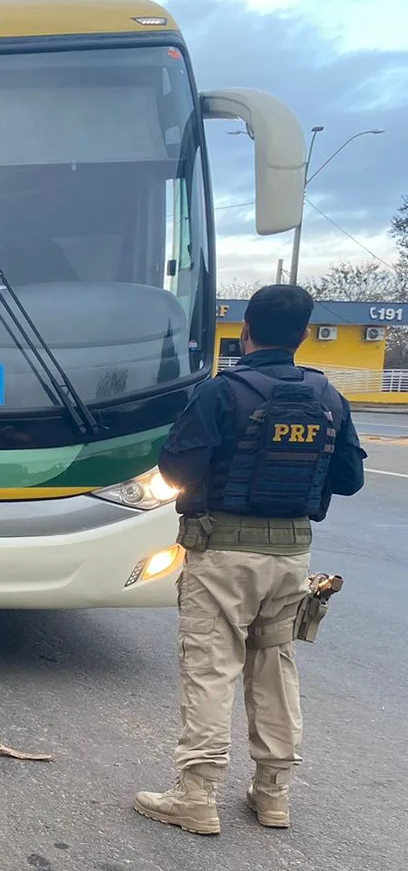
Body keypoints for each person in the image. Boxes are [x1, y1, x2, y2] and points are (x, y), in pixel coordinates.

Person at [135, 284, 366, 835]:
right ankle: (273, 796)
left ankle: (196, 796)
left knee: (212, 667)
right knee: (274, 665)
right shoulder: (328, 397)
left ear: (245, 330)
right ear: (304, 334)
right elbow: (351, 479)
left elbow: (176, 471)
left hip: (221, 553)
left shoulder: (222, 393)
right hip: (291, 557)